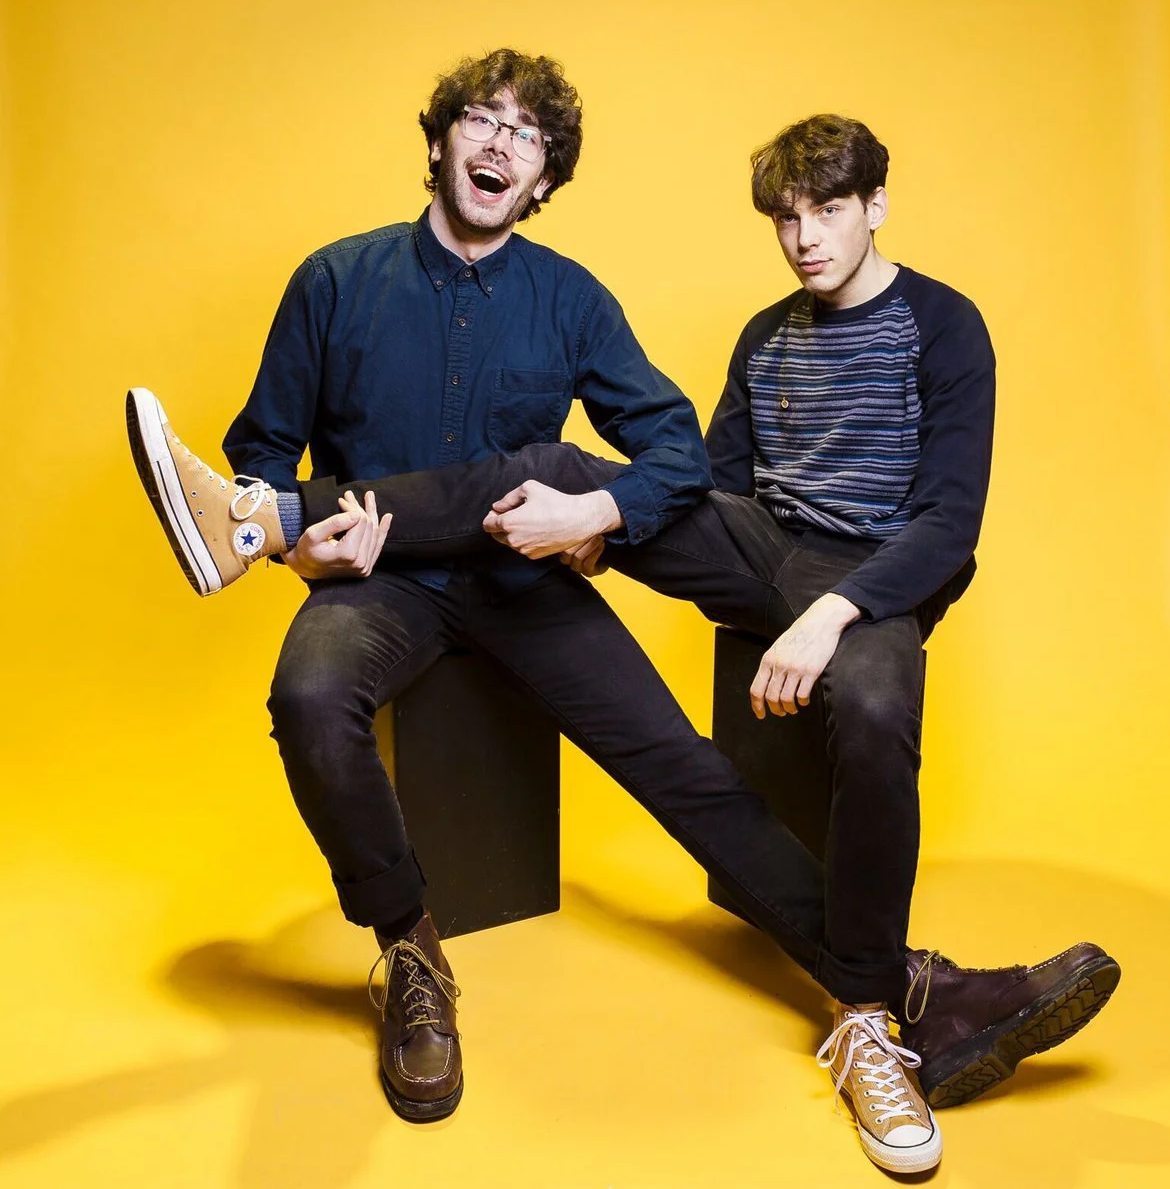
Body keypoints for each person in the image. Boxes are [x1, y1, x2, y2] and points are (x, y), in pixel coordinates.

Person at [127, 73, 1118, 1172]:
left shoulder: (577, 297)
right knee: (307, 695)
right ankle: (410, 950)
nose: (500, 145)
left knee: (685, 766)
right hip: (377, 580)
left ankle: (880, 994)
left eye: (527, 135)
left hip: (523, 577)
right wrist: (311, 540)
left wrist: (599, 517)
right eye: (481, 122)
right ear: (444, 141)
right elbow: (265, 436)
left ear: (545, 175)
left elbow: (688, 461)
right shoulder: (334, 279)